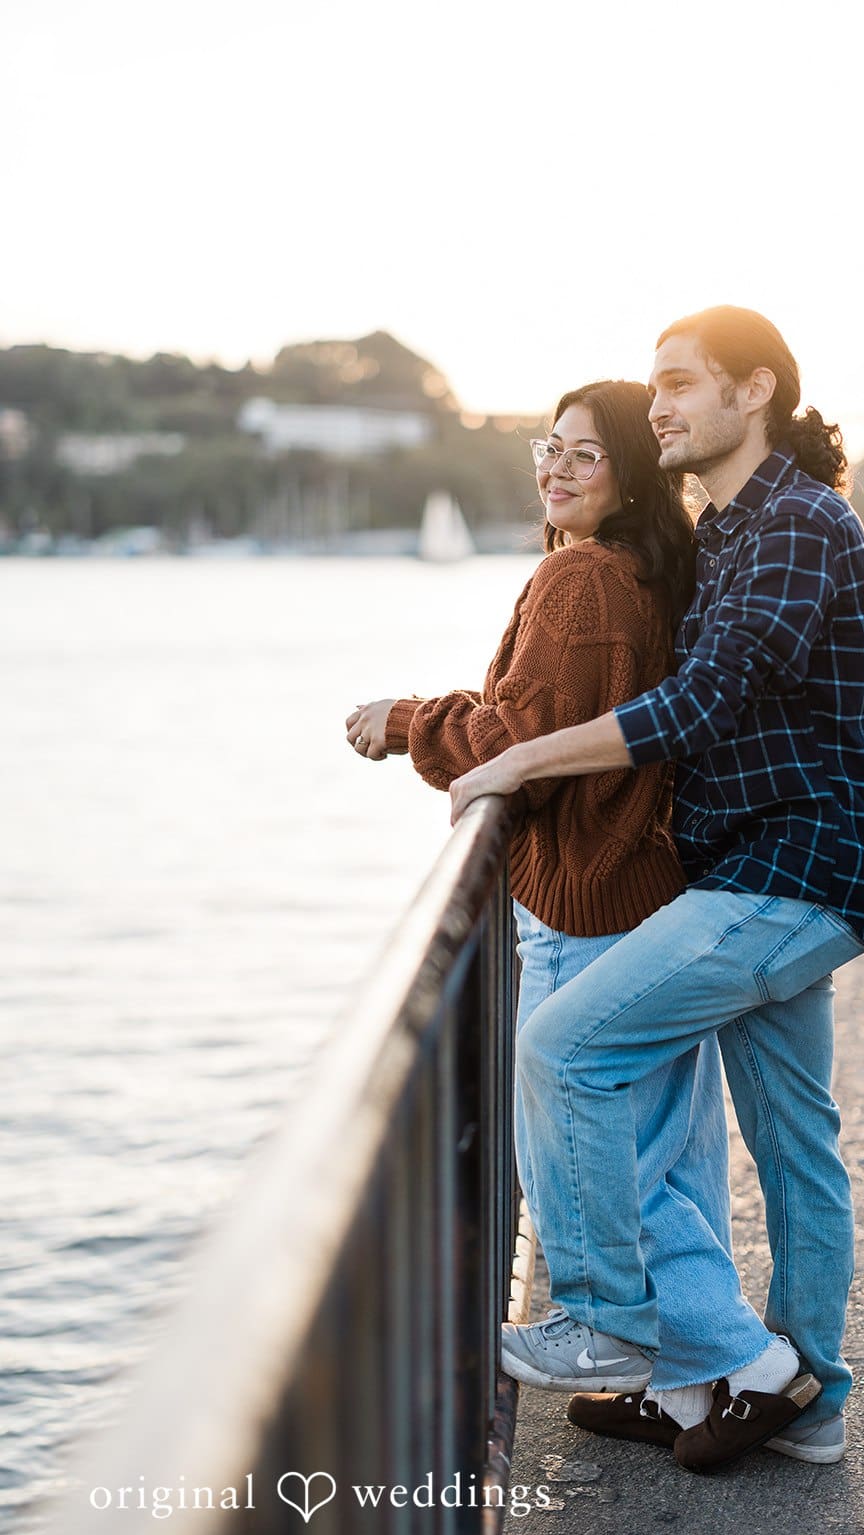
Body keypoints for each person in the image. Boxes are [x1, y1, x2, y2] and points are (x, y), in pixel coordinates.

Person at [449, 307, 864, 1473]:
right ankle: (802, 1401)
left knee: (563, 1049)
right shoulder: (727, 529)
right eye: (652, 388)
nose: (656, 408)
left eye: (680, 384)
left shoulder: (798, 522)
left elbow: (696, 705)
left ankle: (608, 1321)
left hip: (788, 878)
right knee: (792, 1146)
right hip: (756, 872)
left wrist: (513, 760)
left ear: (754, 392)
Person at [346, 379, 753, 1395]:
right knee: (665, 1162)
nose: (555, 470)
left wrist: (407, 722)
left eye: (584, 454)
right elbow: (551, 716)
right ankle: (692, 1391)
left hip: (586, 896)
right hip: (649, 889)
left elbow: (516, 742)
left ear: (630, 474)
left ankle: (749, 1367)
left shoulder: (579, 579)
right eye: (548, 448)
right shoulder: (655, 569)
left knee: (593, 1161)